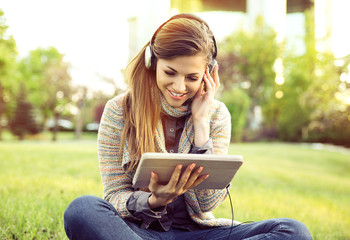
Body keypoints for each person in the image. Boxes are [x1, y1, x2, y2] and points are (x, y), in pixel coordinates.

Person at [64, 13, 312, 240]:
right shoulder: (119, 110)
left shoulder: (216, 115)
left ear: (207, 73)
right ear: (152, 62)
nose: (179, 87)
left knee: (293, 232)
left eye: (192, 77)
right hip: (140, 233)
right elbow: (115, 194)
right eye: (170, 72)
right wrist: (152, 201)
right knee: (82, 209)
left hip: (198, 234)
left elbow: (207, 205)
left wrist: (201, 124)